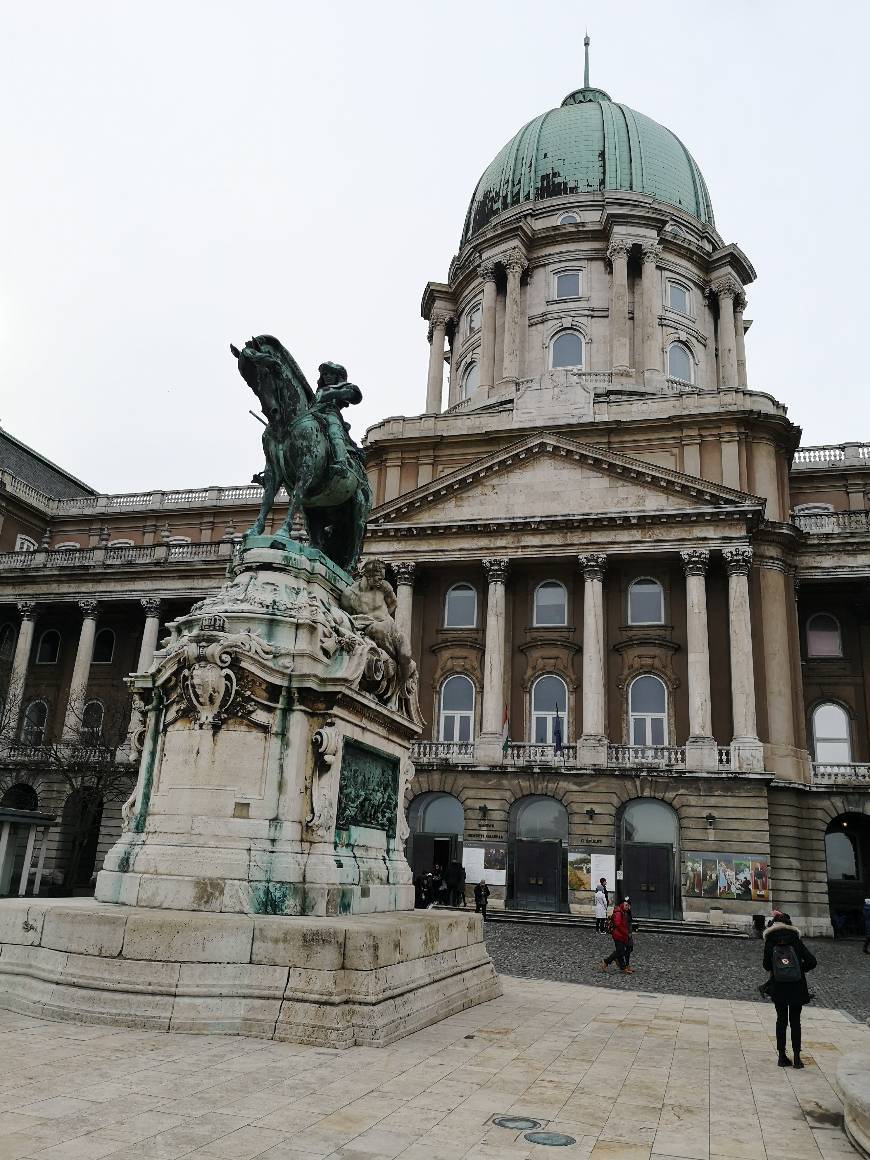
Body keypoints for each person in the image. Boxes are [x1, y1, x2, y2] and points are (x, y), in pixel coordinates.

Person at [762, 910, 817, 1068]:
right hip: (796, 985)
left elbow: (766, 965)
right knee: (795, 1021)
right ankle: (797, 1058)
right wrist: (799, 969)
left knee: (781, 1020)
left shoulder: (770, 939)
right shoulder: (795, 939)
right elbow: (812, 961)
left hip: (778, 985)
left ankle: (781, 1056)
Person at [601, 899, 634, 974]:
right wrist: (625, 932)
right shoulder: (619, 912)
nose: (627, 907)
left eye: (628, 905)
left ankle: (623, 967)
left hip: (621, 935)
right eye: (626, 905)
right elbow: (618, 924)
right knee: (620, 951)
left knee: (620, 951)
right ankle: (606, 962)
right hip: (618, 935)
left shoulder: (623, 912)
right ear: (622, 905)